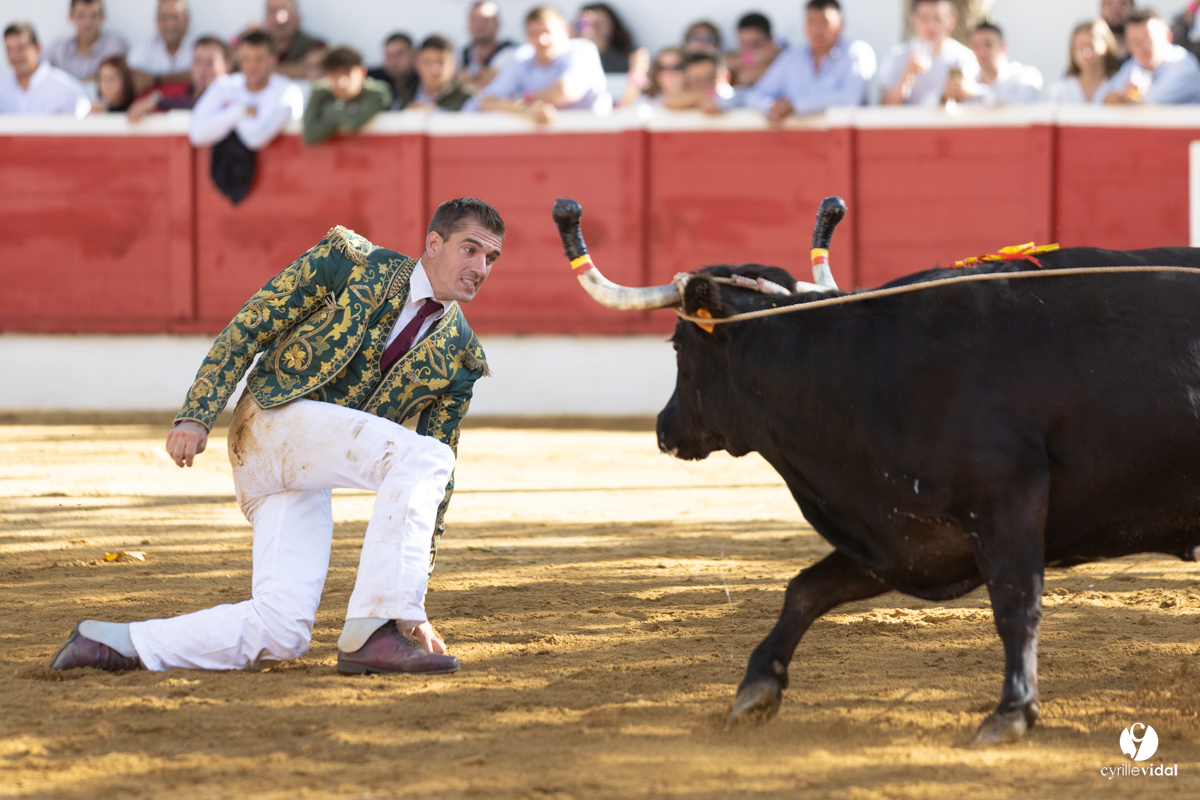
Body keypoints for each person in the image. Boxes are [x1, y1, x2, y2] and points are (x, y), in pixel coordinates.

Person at [48, 197, 502, 677]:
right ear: (434, 243)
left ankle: (113, 642)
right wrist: (198, 413)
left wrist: (417, 597)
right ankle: (376, 627)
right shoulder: (351, 262)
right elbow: (251, 326)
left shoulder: (461, 356)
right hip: (269, 420)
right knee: (422, 456)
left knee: (282, 629)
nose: (480, 267)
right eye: (470, 250)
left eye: (491, 259)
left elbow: (437, 492)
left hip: (307, 466)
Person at [744, 0, 876, 122]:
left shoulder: (856, 52)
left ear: (840, 24)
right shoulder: (792, 56)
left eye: (825, 22)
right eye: (811, 22)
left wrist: (795, 106)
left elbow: (850, 98)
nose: (817, 30)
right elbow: (755, 94)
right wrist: (771, 107)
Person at [480, 6, 611, 123]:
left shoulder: (583, 50)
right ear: (526, 35)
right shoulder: (521, 58)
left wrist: (524, 100)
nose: (542, 40)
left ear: (566, 31)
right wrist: (526, 111)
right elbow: (487, 102)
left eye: (547, 32)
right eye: (534, 34)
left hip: (593, 140)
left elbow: (564, 92)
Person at [189, 31, 304, 151]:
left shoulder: (288, 92)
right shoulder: (225, 85)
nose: (252, 65)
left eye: (259, 59)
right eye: (246, 59)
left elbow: (255, 138)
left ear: (273, 59)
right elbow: (196, 134)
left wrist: (229, 112)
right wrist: (239, 111)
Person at [879, 0, 979, 106]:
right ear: (913, 18)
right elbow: (885, 108)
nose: (931, 25)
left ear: (952, 19)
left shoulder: (965, 58)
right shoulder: (897, 56)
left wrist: (969, 90)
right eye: (924, 18)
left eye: (938, 18)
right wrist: (907, 76)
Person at [1101, 8, 1200, 104]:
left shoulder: (1184, 65)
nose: (1142, 47)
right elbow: (1103, 97)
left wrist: (1126, 96)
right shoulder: (1135, 64)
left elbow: (1150, 101)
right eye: (1135, 42)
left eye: (1148, 40)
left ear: (1168, 37)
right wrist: (1122, 95)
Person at [128, 35, 230, 122]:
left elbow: (199, 105)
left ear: (226, 66)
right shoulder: (181, 91)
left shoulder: (233, 95)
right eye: (198, 61)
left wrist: (158, 102)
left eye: (210, 62)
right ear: (191, 65)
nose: (203, 69)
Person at [303, 46, 392, 144]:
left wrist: (330, 109)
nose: (342, 81)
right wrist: (344, 115)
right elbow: (310, 134)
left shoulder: (376, 92)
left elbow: (355, 121)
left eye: (347, 73)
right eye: (335, 73)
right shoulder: (320, 91)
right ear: (327, 75)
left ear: (362, 72)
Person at [0, 22, 89, 116]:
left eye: (21, 48)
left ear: (38, 47)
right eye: (9, 49)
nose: (15, 55)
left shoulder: (68, 88)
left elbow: (84, 127)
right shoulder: (2, 89)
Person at [44, 0, 127, 82]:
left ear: (102, 16)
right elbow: (39, 70)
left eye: (94, 16)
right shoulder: (58, 47)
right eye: (81, 16)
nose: (87, 23)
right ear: (71, 16)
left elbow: (112, 77)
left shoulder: (113, 45)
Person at [967, 22, 1042, 105]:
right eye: (976, 46)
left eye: (988, 44)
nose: (982, 51)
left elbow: (1022, 105)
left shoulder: (1025, 76)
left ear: (1003, 47)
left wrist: (979, 92)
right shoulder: (968, 83)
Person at [128, 0, 194, 95]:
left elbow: (206, 75)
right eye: (164, 18)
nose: (170, 24)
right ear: (156, 20)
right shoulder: (144, 48)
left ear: (187, 20)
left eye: (176, 17)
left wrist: (155, 79)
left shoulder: (199, 46)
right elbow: (130, 77)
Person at [1048, 19, 1122, 103]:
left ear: (1107, 46)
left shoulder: (1120, 84)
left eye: (1091, 45)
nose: (1086, 53)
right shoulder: (1060, 91)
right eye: (1080, 46)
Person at [399, 35, 475, 112]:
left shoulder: (466, 98)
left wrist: (436, 112)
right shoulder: (405, 95)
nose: (434, 69)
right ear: (417, 64)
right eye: (427, 62)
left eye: (441, 62)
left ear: (454, 63)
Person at [458, 2, 517, 92]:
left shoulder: (513, 54)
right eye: (474, 19)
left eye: (485, 20)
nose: (479, 25)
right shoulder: (460, 55)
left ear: (498, 23)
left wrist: (468, 79)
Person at [262, 0, 327, 80]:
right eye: (272, 11)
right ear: (265, 20)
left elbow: (312, 69)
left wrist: (264, 70)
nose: (279, 19)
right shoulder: (256, 46)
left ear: (298, 18)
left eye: (286, 10)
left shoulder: (315, 45)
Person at [661, 49, 735, 113]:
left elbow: (712, 106)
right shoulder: (687, 98)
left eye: (709, 78)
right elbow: (669, 101)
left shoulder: (730, 96)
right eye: (695, 81)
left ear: (725, 78)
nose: (703, 85)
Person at [574, 3, 635, 74]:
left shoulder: (627, 55)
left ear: (612, 26)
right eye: (585, 24)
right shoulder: (568, 51)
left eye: (598, 25)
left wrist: (602, 48)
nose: (590, 30)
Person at [368, 33, 420, 111]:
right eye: (388, 56)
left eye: (399, 54)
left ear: (413, 54)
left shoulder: (424, 80)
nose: (393, 62)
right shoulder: (373, 79)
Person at [730, 13, 781, 87]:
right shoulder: (733, 56)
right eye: (743, 43)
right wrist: (750, 58)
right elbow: (719, 65)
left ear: (770, 39)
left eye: (755, 43)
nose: (749, 49)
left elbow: (746, 77)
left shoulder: (783, 58)